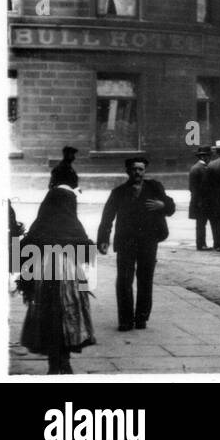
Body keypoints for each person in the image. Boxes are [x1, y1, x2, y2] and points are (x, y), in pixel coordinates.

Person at [18, 184, 96, 374]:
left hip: (44, 279)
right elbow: (88, 254)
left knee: (49, 319)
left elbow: (23, 252)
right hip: (70, 278)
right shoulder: (74, 224)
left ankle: (55, 361)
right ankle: (64, 360)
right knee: (68, 318)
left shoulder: (42, 223)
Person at [97, 156, 176, 331]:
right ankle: (125, 320)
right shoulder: (118, 192)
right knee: (124, 281)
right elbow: (107, 217)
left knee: (145, 280)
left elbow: (171, 207)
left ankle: (141, 318)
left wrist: (162, 204)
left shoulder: (155, 187)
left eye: (140, 169)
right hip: (126, 242)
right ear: (128, 171)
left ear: (145, 171)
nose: (137, 172)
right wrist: (103, 239)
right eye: (134, 169)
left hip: (149, 241)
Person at [188, 145, 212, 250]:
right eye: (208, 156)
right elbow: (193, 188)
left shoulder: (201, 167)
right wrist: (199, 201)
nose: (210, 158)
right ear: (203, 157)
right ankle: (201, 244)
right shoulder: (197, 168)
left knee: (202, 224)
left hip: (203, 201)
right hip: (200, 202)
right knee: (201, 224)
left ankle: (202, 244)